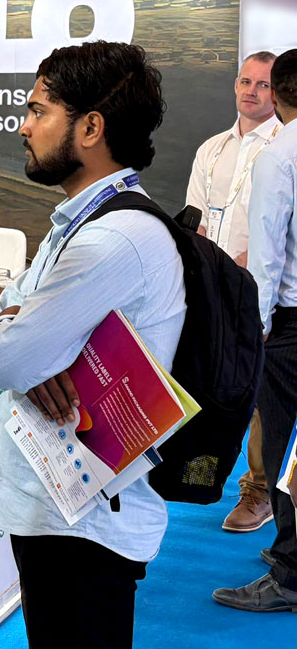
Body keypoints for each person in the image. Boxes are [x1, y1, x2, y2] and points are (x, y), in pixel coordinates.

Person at [0, 41, 184, 649]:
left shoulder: (111, 240)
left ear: (91, 128)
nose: (24, 127)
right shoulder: (83, 223)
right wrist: (12, 333)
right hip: (62, 512)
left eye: (39, 111)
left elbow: (6, 357)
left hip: (84, 526)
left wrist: (17, 341)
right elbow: (2, 322)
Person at [213, 47, 297, 613]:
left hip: (288, 325)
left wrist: (257, 327)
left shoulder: (280, 155)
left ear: (280, 93)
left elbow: (266, 257)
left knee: (282, 448)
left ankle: (290, 573)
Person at [185, 50, 278, 533]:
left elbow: (279, 230)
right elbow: (196, 221)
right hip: (212, 290)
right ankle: (197, 472)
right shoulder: (211, 150)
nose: (251, 91)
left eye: (263, 84)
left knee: (263, 396)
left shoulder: (285, 148)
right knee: (208, 387)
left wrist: (243, 271)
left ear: (279, 92)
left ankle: (259, 489)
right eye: (245, 81)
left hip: (264, 291)